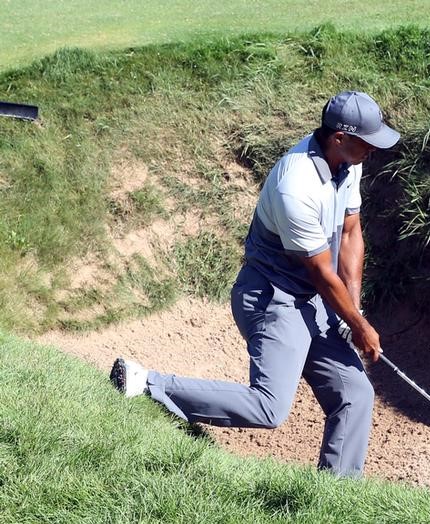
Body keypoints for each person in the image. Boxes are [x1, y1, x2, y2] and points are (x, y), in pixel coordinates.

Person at [110, 91, 400, 478]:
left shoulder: (350, 163)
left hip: (312, 299)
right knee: (270, 407)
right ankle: (146, 383)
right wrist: (359, 326)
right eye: (367, 140)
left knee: (356, 393)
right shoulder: (295, 187)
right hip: (271, 298)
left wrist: (353, 312)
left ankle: (338, 492)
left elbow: (350, 235)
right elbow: (320, 271)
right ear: (340, 138)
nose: (374, 148)